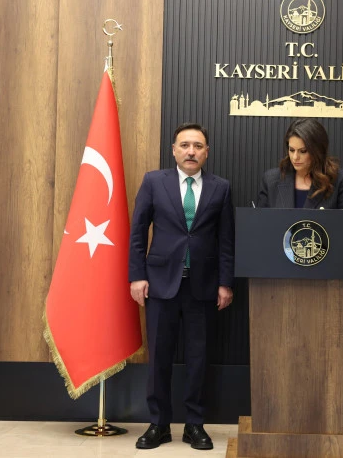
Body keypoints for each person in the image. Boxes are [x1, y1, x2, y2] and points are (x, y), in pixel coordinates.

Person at [129, 122, 234, 451]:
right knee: (159, 357)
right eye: (185, 145)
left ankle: (194, 424)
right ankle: (158, 424)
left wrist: (225, 283)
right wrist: (137, 276)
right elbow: (137, 232)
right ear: (174, 150)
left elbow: (227, 241)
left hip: (203, 286)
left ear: (207, 152)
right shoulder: (153, 182)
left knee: (198, 359)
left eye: (198, 146)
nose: (191, 151)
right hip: (160, 284)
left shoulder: (221, 188)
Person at [257, 118, 343, 209]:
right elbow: (261, 221)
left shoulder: (340, 181)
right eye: (291, 150)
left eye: (303, 151)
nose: (295, 157)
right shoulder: (270, 180)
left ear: (317, 151)